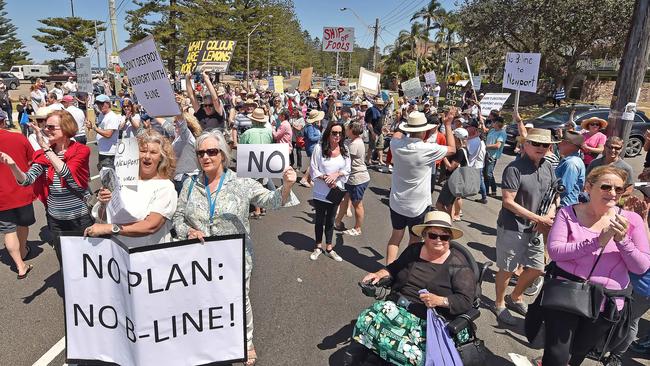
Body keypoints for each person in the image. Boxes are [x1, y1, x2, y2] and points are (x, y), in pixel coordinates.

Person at [172, 130, 299, 366]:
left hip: (235, 258)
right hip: (199, 260)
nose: (206, 157)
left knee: (239, 299)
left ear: (222, 154)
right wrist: (187, 231)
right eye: (201, 153)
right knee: (204, 301)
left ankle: (246, 341)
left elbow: (270, 201)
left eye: (212, 152)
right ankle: (210, 339)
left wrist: (287, 186)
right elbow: (178, 217)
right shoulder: (190, 184)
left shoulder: (241, 182)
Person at [542, 166, 650, 366]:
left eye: (619, 189)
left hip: (606, 303)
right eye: (606, 187)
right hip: (567, 294)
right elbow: (555, 251)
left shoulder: (631, 220)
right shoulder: (568, 213)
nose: (613, 193)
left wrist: (622, 241)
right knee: (556, 355)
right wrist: (597, 241)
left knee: (578, 354)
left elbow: (641, 267)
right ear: (588, 187)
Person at [347, 211, 475, 366]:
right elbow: (395, 267)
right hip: (397, 307)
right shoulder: (414, 250)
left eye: (444, 237)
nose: (439, 240)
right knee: (365, 320)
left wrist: (439, 300)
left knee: (408, 351)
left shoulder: (458, 265)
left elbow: (466, 300)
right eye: (433, 235)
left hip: (427, 318)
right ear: (424, 235)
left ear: (450, 238)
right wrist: (379, 274)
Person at [2, 110, 92, 261]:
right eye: (45, 126)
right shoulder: (43, 155)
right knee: (66, 262)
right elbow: (27, 180)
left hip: (79, 218)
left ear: (66, 128)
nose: (45, 130)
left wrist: (45, 147)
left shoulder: (81, 151)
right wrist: (13, 166)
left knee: (86, 261)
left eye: (51, 127)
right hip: (56, 220)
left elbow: (66, 172)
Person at [493, 128, 557, 325]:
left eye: (544, 145)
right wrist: (538, 218)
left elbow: (555, 194)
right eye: (535, 143)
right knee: (507, 268)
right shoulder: (514, 168)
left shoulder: (548, 166)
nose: (540, 148)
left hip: (536, 228)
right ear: (525, 144)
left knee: (537, 268)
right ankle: (499, 304)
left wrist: (550, 214)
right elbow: (508, 202)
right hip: (513, 226)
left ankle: (516, 296)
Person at [386, 109, 457, 264]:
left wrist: (402, 120)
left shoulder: (396, 144)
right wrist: (448, 124)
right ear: (424, 132)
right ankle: (407, 268)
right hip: (418, 206)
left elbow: (397, 134)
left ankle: (388, 270)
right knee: (415, 239)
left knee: (395, 236)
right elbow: (452, 149)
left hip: (397, 202)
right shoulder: (427, 149)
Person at [84, 130, 178, 246]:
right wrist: (104, 203)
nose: (147, 156)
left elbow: (151, 226)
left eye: (153, 152)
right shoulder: (121, 180)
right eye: (143, 151)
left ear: (161, 158)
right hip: (118, 250)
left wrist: (111, 228)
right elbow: (105, 217)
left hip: (148, 255)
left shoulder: (165, 186)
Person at [309, 121, 351, 262]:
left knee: (331, 220)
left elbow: (347, 169)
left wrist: (336, 175)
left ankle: (329, 247)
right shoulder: (319, 148)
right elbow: (314, 168)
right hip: (321, 191)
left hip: (335, 191)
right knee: (319, 220)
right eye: (334, 133)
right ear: (328, 133)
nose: (337, 136)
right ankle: (317, 247)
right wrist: (326, 178)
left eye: (340, 133)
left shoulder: (344, 149)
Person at [0, 124, 35, 278]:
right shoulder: (19, 138)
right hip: (22, 189)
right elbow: (32, 160)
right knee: (23, 223)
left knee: (8, 230)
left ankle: (20, 266)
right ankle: (22, 251)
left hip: (2, 195)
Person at [334, 121, 369, 236]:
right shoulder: (352, 141)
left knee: (357, 204)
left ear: (352, 130)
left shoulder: (355, 144)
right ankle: (337, 221)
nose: (345, 130)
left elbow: (345, 158)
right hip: (351, 178)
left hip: (357, 178)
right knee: (344, 200)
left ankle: (357, 228)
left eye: (347, 128)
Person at [436, 128, 469, 221]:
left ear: (457, 138)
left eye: (453, 136)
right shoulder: (464, 149)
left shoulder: (460, 151)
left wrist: (442, 156)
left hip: (453, 181)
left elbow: (451, 167)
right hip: (458, 181)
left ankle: (447, 223)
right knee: (449, 205)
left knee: (439, 205)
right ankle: (449, 223)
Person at [87, 94, 120, 169]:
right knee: (103, 175)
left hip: (109, 153)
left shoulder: (112, 117)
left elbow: (108, 134)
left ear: (108, 103)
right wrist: (91, 127)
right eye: (98, 104)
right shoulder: (101, 115)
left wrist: (94, 128)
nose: (99, 105)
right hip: (102, 151)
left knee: (108, 177)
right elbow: (101, 130)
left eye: (102, 103)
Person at [172, 112, 202, 194]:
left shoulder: (188, 138)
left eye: (176, 122)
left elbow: (182, 125)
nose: (174, 125)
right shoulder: (177, 138)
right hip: (178, 178)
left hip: (187, 178)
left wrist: (177, 109)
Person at [556, 131, 586, 207]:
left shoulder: (571, 163)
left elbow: (564, 189)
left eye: (563, 143)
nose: (559, 144)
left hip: (564, 206)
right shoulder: (573, 161)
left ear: (571, 146)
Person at [298, 109, 324, 188]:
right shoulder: (310, 127)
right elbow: (311, 138)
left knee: (313, 163)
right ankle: (304, 179)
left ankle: (308, 179)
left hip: (314, 147)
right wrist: (320, 136)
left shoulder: (313, 125)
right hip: (311, 147)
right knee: (312, 164)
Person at [483, 116, 507, 197]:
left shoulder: (502, 133)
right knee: (485, 173)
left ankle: (493, 190)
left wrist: (486, 146)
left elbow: (497, 145)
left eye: (493, 122)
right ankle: (486, 190)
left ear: (497, 123)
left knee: (488, 173)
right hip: (486, 153)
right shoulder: (492, 130)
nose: (492, 123)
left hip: (492, 156)